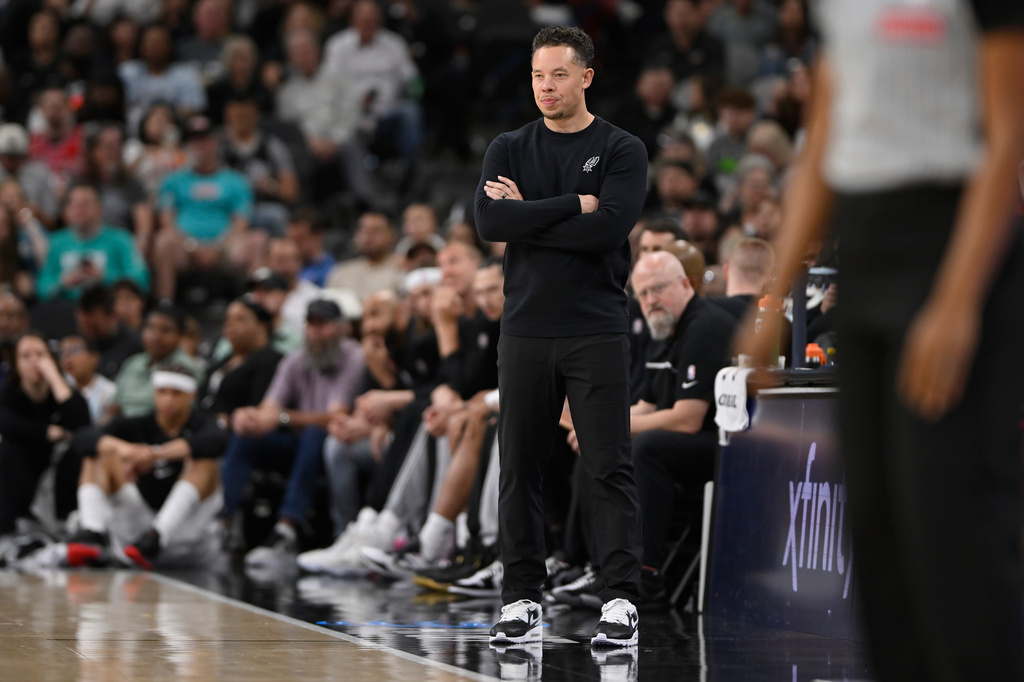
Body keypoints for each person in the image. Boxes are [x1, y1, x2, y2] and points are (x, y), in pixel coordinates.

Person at [736, 2, 1024, 678]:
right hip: (865, 255)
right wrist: (773, 301)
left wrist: (956, 303)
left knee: (950, 535)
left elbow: (1006, 132)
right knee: (877, 531)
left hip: (952, 244)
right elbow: (824, 144)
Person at [475, 26, 647, 648]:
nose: (546, 88)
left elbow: (609, 231)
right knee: (519, 467)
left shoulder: (622, 148)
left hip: (595, 328)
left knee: (607, 466)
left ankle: (621, 601)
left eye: (558, 75)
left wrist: (532, 214)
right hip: (524, 328)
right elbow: (492, 221)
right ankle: (521, 599)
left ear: (586, 77)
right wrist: (574, 203)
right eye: (537, 77)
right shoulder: (508, 146)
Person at [221, 299, 364, 569]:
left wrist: (283, 418)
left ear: (340, 328)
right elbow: (269, 408)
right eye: (311, 324)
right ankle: (224, 523)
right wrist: (251, 418)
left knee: (314, 434)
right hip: (298, 442)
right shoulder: (296, 358)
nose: (316, 331)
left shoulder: (352, 355)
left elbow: (336, 416)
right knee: (246, 437)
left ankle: (286, 529)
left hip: (334, 442)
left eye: (323, 324)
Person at [69, 365, 228, 570]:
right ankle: (91, 534)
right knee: (99, 452)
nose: (168, 400)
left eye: (176, 393)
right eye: (162, 392)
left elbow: (217, 441)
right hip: (135, 538)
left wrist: (154, 454)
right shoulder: (138, 424)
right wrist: (127, 451)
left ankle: (158, 535)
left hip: (185, 535)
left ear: (191, 396)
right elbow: (83, 439)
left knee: (204, 460)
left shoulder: (203, 424)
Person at [0, 333, 91, 537]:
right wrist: (46, 432)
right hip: (24, 468)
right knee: (8, 449)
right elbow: (7, 425)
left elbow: (82, 424)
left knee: (79, 449)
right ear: (15, 364)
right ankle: (10, 525)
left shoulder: (62, 390)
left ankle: (68, 522)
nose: (35, 362)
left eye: (40, 355)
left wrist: (55, 379)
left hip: (60, 470)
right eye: (26, 356)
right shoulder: (9, 394)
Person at [37, 183, 150, 301]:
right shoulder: (56, 243)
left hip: (109, 307)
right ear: (67, 210)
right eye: (74, 204)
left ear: (100, 208)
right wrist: (62, 283)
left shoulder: (122, 240)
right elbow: (41, 288)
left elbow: (141, 281)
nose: (79, 209)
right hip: (65, 309)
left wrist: (105, 278)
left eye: (85, 204)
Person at [109, 303, 204, 419]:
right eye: (150, 328)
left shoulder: (186, 368)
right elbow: (114, 407)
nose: (156, 336)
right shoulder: (133, 363)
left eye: (166, 330)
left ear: (180, 335)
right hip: (121, 429)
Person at [325, 212, 405, 301]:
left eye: (376, 231)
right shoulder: (341, 272)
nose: (368, 236)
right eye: (363, 230)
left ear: (392, 236)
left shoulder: (401, 271)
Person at [76, 284, 143, 379]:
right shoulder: (80, 344)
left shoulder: (135, 345)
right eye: (83, 326)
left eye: (94, 327)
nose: (87, 333)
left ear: (113, 315)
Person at [60, 335, 117, 426]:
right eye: (63, 353)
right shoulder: (59, 388)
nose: (68, 359)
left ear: (94, 358)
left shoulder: (110, 392)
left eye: (75, 350)